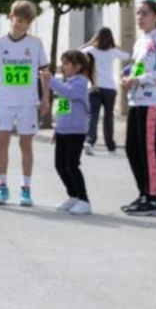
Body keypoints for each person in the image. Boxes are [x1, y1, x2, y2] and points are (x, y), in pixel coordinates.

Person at [0, 0, 50, 207]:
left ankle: (26, 188)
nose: (21, 25)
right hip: (4, 101)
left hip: (28, 103)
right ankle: (2, 185)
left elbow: (44, 72)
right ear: (11, 17)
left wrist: (46, 98)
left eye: (26, 22)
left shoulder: (35, 43)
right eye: (19, 20)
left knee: (26, 144)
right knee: (2, 141)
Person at [120, 0, 156, 216]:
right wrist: (129, 76)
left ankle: (152, 198)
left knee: (148, 148)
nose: (140, 18)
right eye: (138, 13)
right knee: (132, 147)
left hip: (153, 99)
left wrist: (140, 79)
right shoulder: (141, 41)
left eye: (145, 13)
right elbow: (139, 67)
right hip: (137, 99)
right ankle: (143, 193)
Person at [49, 49, 93, 214]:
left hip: (76, 131)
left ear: (78, 67)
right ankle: (73, 195)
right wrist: (57, 129)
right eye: (63, 63)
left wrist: (50, 80)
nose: (63, 66)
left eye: (67, 63)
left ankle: (84, 199)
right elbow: (63, 109)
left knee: (71, 165)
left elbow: (69, 93)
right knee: (60, 165)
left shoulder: (81, 82)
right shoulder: (66, 82)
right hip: (63, 131)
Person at [82, 27, 128, 155]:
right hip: (109, 88)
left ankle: (90, 141)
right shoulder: (113, 51)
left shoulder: (91, 50)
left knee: (93, 115)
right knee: (108, 117)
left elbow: (77, 52)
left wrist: (90, 42)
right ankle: (111, 146)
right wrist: (115, 45)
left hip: (94, 87)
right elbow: (127, 55)